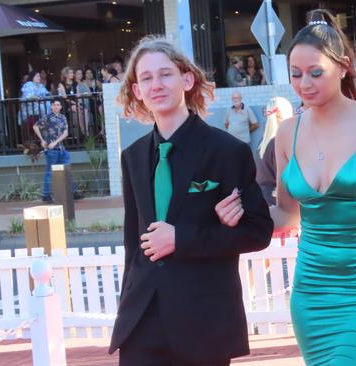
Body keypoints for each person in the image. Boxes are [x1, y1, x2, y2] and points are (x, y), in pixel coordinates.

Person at [217, 9, 356, 365]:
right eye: (296, 74)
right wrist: (239, 213)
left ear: (343, 67)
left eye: (315, 73)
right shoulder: (286, 133)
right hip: (311, 291)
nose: (304, 84)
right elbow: (287, 214)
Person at [108, 36, 273, 366]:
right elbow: (133, 243)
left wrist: (181, 239)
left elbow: (258, 232)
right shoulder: (133, 157)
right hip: (141, 320)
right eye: (146, 78)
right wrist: (127, 304)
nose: (157, 84)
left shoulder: (228, 152)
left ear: (187, 79)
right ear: (137, 91)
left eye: (165, 74)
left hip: (204, 322)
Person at [33, 98, 81, 203]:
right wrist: (42, 140)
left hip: (61, 148)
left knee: (67, 170)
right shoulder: (47, 117)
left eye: (58, 105)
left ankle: (74, 192)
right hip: (51, 149)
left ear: (61, 107)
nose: (56, 106)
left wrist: (56, 141)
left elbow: (65, 133)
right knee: (49, 172)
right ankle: (46, 195)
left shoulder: (63, 117)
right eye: (54, 105)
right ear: (51, 106)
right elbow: (35, 126)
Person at [256, 97, 293, 205]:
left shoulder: (262, 142)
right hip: (278, 203)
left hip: (263, 199)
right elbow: (285, 181)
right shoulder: (281, 142)